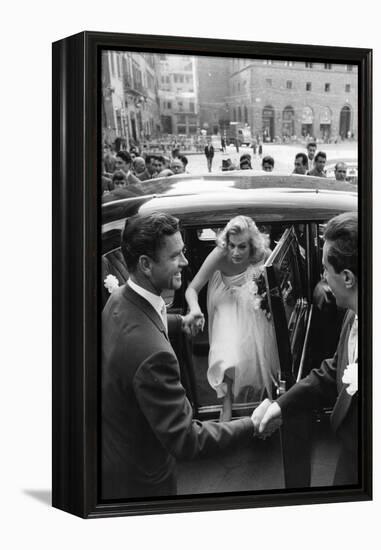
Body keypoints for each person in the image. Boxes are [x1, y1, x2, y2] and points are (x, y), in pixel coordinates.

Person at [101, 213, 257, 499]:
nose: (185, 261)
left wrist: (178, 322)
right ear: (146, 265)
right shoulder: (153, 356)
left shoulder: (119, 298)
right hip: (143, 481)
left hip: (116, 453)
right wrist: (251, 424)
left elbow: (148, 320)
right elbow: (187, 439)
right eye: (175, 256)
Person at [253, 212, 358, 485]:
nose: (323, 277)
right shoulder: (352, 313)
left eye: (325, 269)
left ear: (347, 277)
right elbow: (337, 367)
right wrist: (281, 406)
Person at [185, 216, 280, 422]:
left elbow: (279, 274)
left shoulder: (262, 253)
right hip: (225, 298)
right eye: (232, 245)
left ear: (252, 245)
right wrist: (195, 309)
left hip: (251, 301)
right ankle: (225, 404)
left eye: (242, 247)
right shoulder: (220, 253)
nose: (235, 252)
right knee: (227, 354)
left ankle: (268, 401)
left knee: (257, 352)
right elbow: (192, 288)